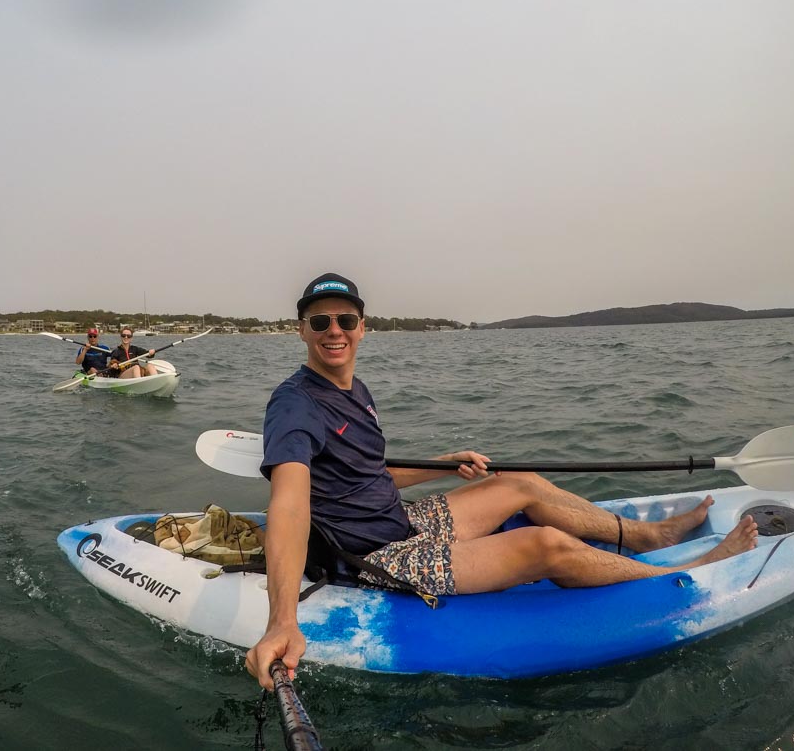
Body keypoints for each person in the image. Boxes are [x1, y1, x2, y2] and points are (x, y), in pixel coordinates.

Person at [245, 272, 758, 690]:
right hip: (377, 553)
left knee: (521, 482)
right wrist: (282, 620)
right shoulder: (295, 405)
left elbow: (367, 473)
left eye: (345, 320)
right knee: (543, 546)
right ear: (301, 330)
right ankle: (683, 570)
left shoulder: (354, 388)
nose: (334, 330)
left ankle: (647, 535)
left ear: (362, 327)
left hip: (399, 519)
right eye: (320, 322)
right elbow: (290, 506)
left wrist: (444, 464)